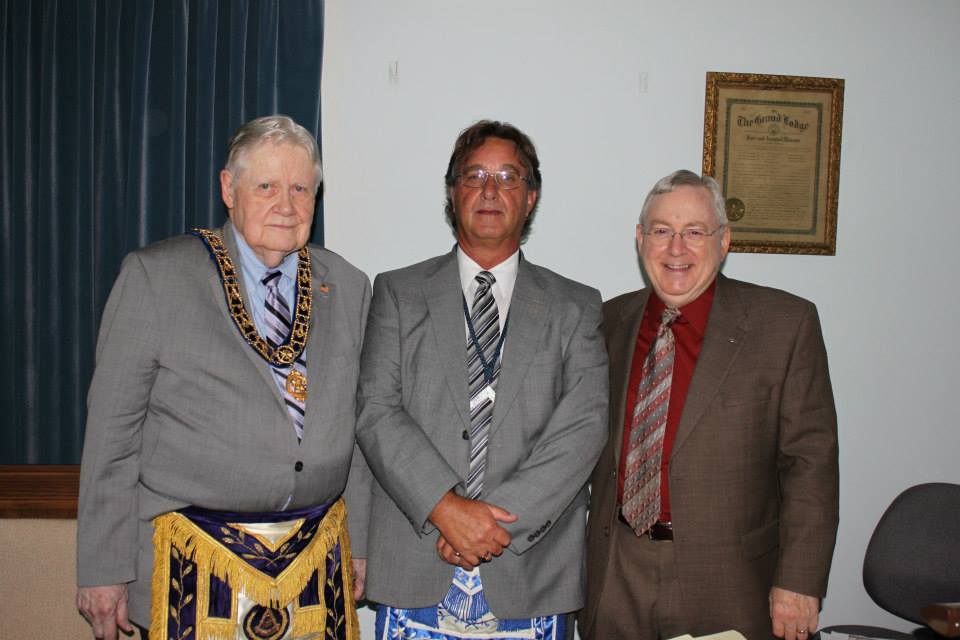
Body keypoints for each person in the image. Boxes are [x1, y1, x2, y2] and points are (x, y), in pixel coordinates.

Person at [76, 115, 370, 640]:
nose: (287, 203)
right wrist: (103, 570)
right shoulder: (156, 277)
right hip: (190, 564)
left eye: (301, 188)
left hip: (312, 566)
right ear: (228, 189)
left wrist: (361, 545)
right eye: (267, 186)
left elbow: (364, 429)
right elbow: (112, 434)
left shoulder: (347, 286)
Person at [355, 120, 608, 639]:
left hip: (531, 571)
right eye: (475, 175)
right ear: (453, 192)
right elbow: (376, 410)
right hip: (416, 560)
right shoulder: (398, 293)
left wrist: (489, 527)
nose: (490, 190)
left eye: (508, 176)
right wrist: (447, 510)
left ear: (531, 197)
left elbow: (582, 430)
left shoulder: (576, 306)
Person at [580, 169, 839, 640]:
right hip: (617, 571)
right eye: (662, 231)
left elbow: (812, 465)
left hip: (729, 580)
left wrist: (799, 582)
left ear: (724, 241)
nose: (676, 248)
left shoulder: (784, 324)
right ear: (640, 239)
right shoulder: (607, 321)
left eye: (695, 232)